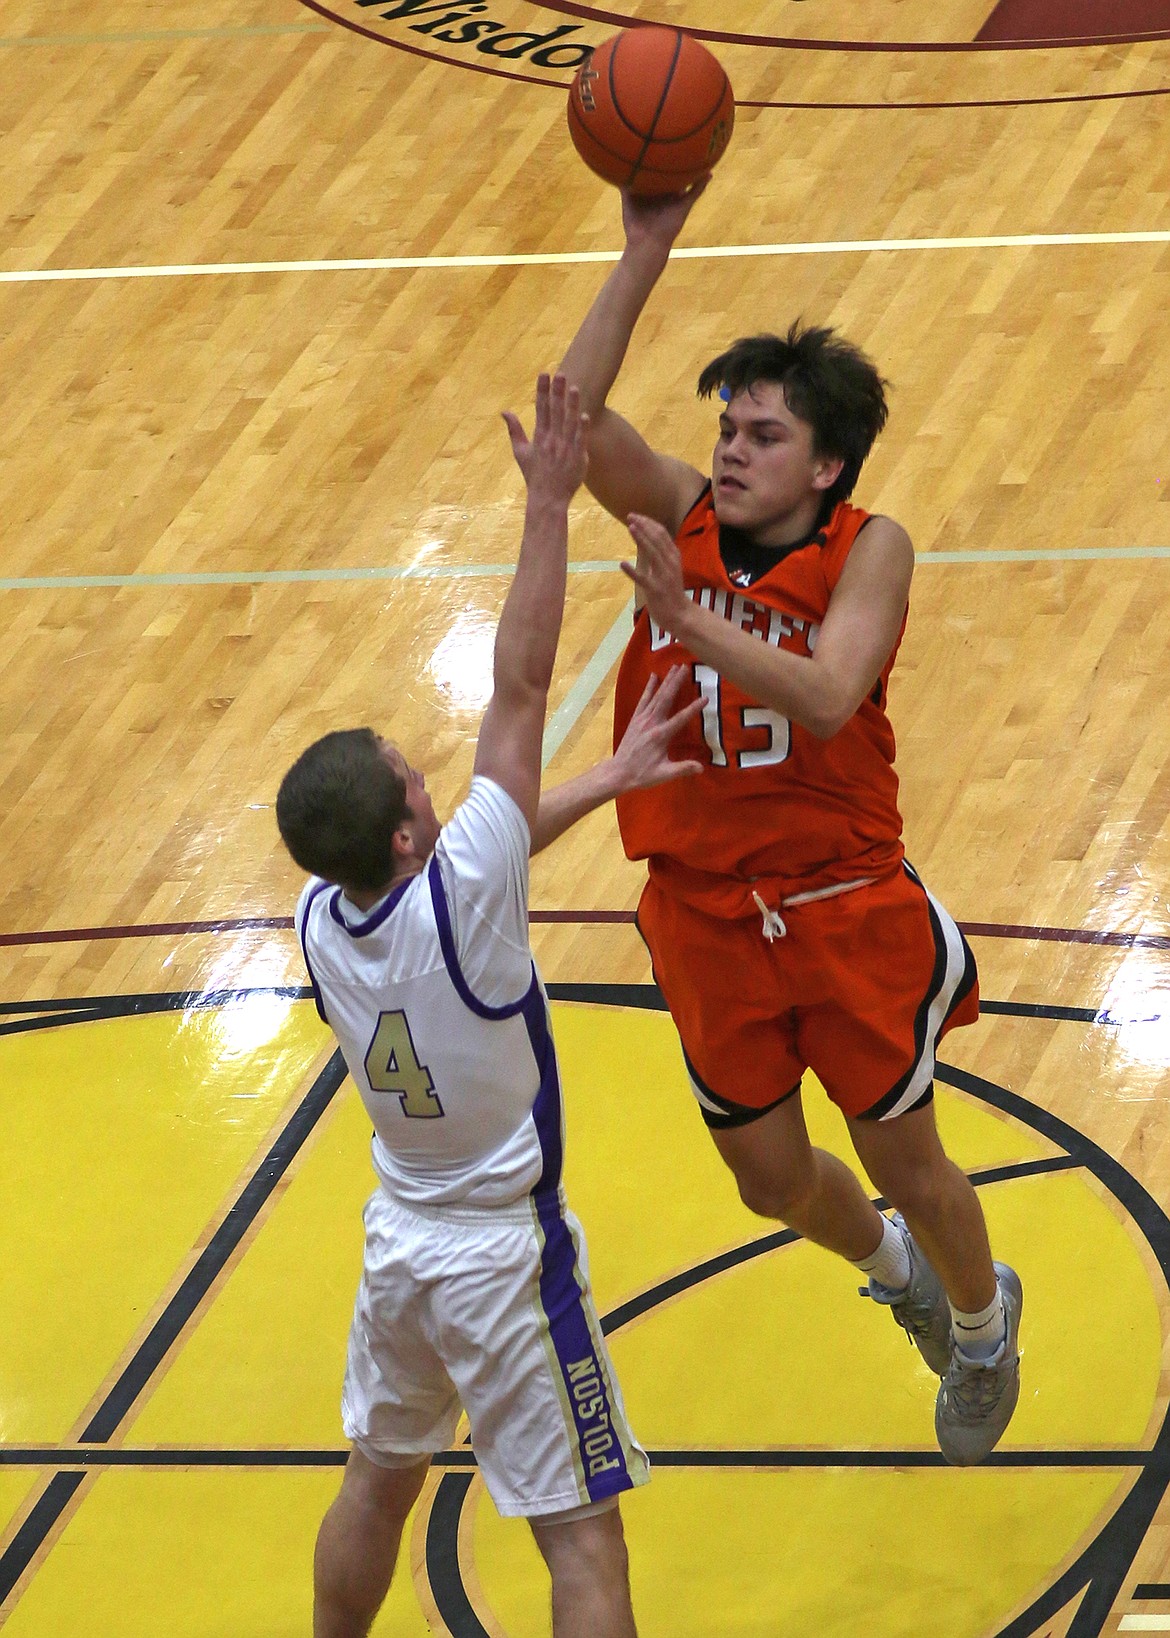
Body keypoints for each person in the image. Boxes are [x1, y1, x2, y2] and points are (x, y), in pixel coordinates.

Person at [553, 185, 1023, 1466]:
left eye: (762, 433)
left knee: (905, 1153)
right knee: (767, 1178)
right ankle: (900, 1277)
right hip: (702, 908)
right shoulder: (679, 514)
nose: (729, 450)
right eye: (725, 427)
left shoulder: (872, 549)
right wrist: (645, 247)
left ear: (826, 464)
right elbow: (574, 423)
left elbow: (823, 695)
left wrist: (690, 620)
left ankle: (983, 1324)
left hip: (841, 900)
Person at [277, 374, 702, 1638]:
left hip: (399, 1242)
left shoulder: (323, 920)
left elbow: (497, 840)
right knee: (581, 1536)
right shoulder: (459, 892)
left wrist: (611, 776)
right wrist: (548, 506)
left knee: (378, 1482)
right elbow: (517, 690)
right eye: (421, 781)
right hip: (505, 1256)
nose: (435, 779)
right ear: (414, 835)